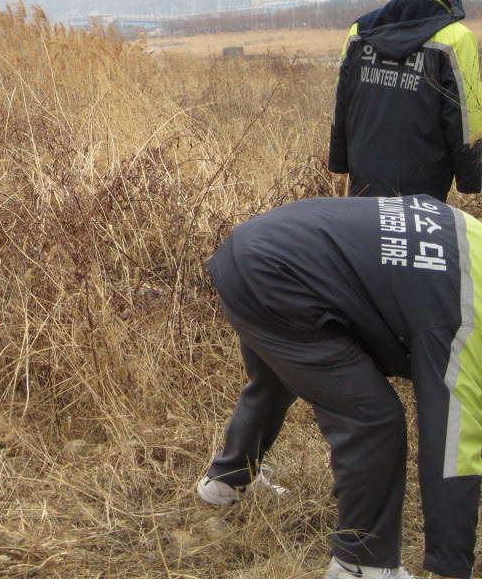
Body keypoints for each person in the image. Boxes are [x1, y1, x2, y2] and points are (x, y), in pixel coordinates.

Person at [196, 195, 482, 579]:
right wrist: (452, 565)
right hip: (278, 274)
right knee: (373, 420)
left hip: (260, 246)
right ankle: (362, 564)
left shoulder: (471, 237)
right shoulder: (466, 321)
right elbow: (453, 444)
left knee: (275, 377)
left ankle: (228, 479)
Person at [329, 0, 482, 201]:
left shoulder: (360, 30)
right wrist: (471, 178)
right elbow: (466, 116)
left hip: (364, 176)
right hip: (425, 184)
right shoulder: (456, 37)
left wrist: (339, 160)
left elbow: (341, 101)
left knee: (369, 227)